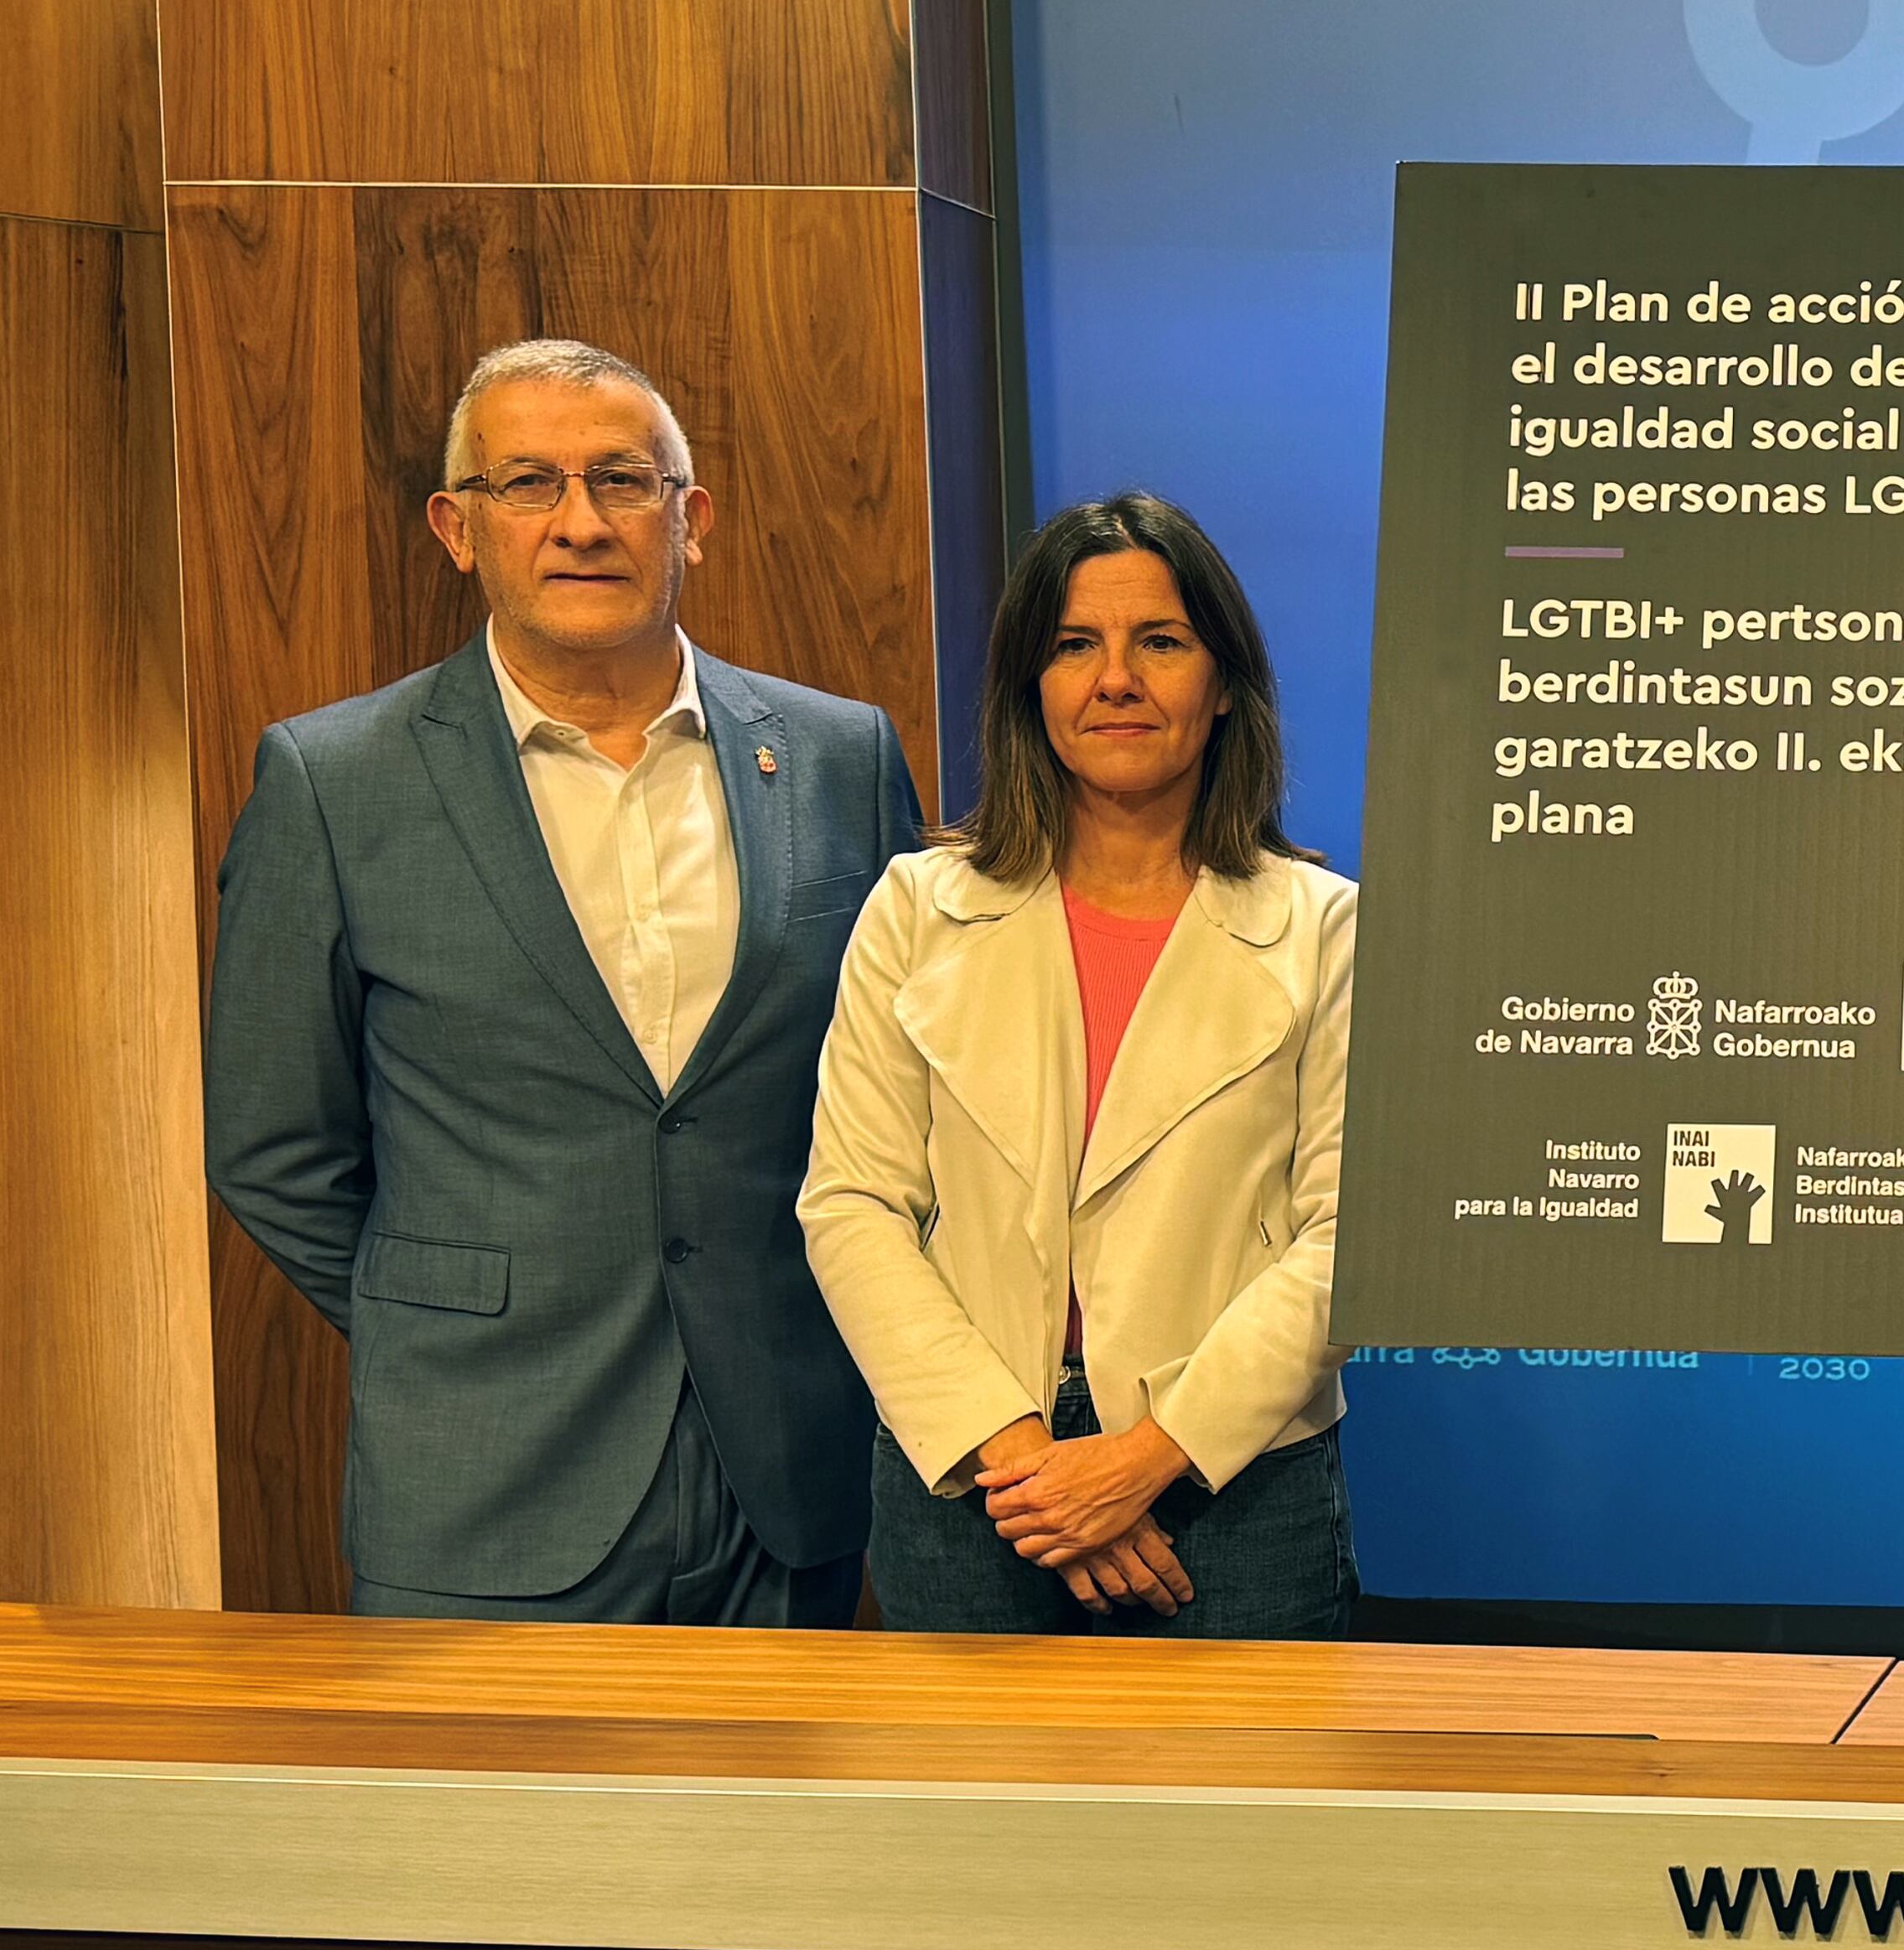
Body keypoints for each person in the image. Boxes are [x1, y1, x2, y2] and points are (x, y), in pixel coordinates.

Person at [205, 338, 928, 1623]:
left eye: (623, 482)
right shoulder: (334, 782)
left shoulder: (838, 759)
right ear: (458, 529)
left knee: (779, 1829)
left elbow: (911, 1102)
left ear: (691, 520)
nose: (581, 523)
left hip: (787, 1471)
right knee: (484, 1836)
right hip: (486, 1476)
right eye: (528, 483)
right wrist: (450, 1320)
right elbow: (273, 1147)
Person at [802, 493, 1360, 1637]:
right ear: (1028, 690)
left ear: (1223, 683)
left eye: (1160, 641)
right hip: (969, 1478)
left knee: (1239, 1820)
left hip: (1238, 1488)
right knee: (968, 1822)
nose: (1116, 680)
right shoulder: (917, 910)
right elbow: (852, 1204)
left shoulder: (1326, 929)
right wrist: (1024, 1461)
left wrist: (1141, 1463)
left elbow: (1348, 1238)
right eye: (1073, 647)